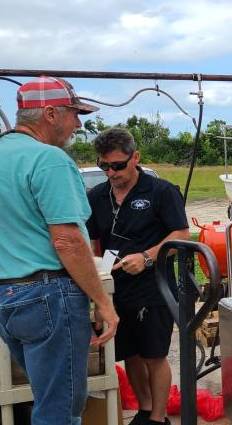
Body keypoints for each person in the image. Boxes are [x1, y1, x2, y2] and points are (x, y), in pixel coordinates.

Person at [0, 76, 119, 425]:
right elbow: (67, 241)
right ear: (50, 113)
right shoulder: (49, 159)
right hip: (48, 295)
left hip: (6, 297)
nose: (78, 124)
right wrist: (105, 304)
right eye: (73, 114)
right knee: (61, 409)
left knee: (47, 396)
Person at [85, 128, 189, 425]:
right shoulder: (96, 196)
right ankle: (144, 410)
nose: (111, 172)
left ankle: (158, 418)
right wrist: (98, 286)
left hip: (153, 287)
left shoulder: (161, 191)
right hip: (117, 288)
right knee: (129, 353)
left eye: (118, 165)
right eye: (104, 166)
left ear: (136, 158)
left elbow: (181, 234)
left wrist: (146, 258)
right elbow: (94, 244)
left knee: (154, 354)